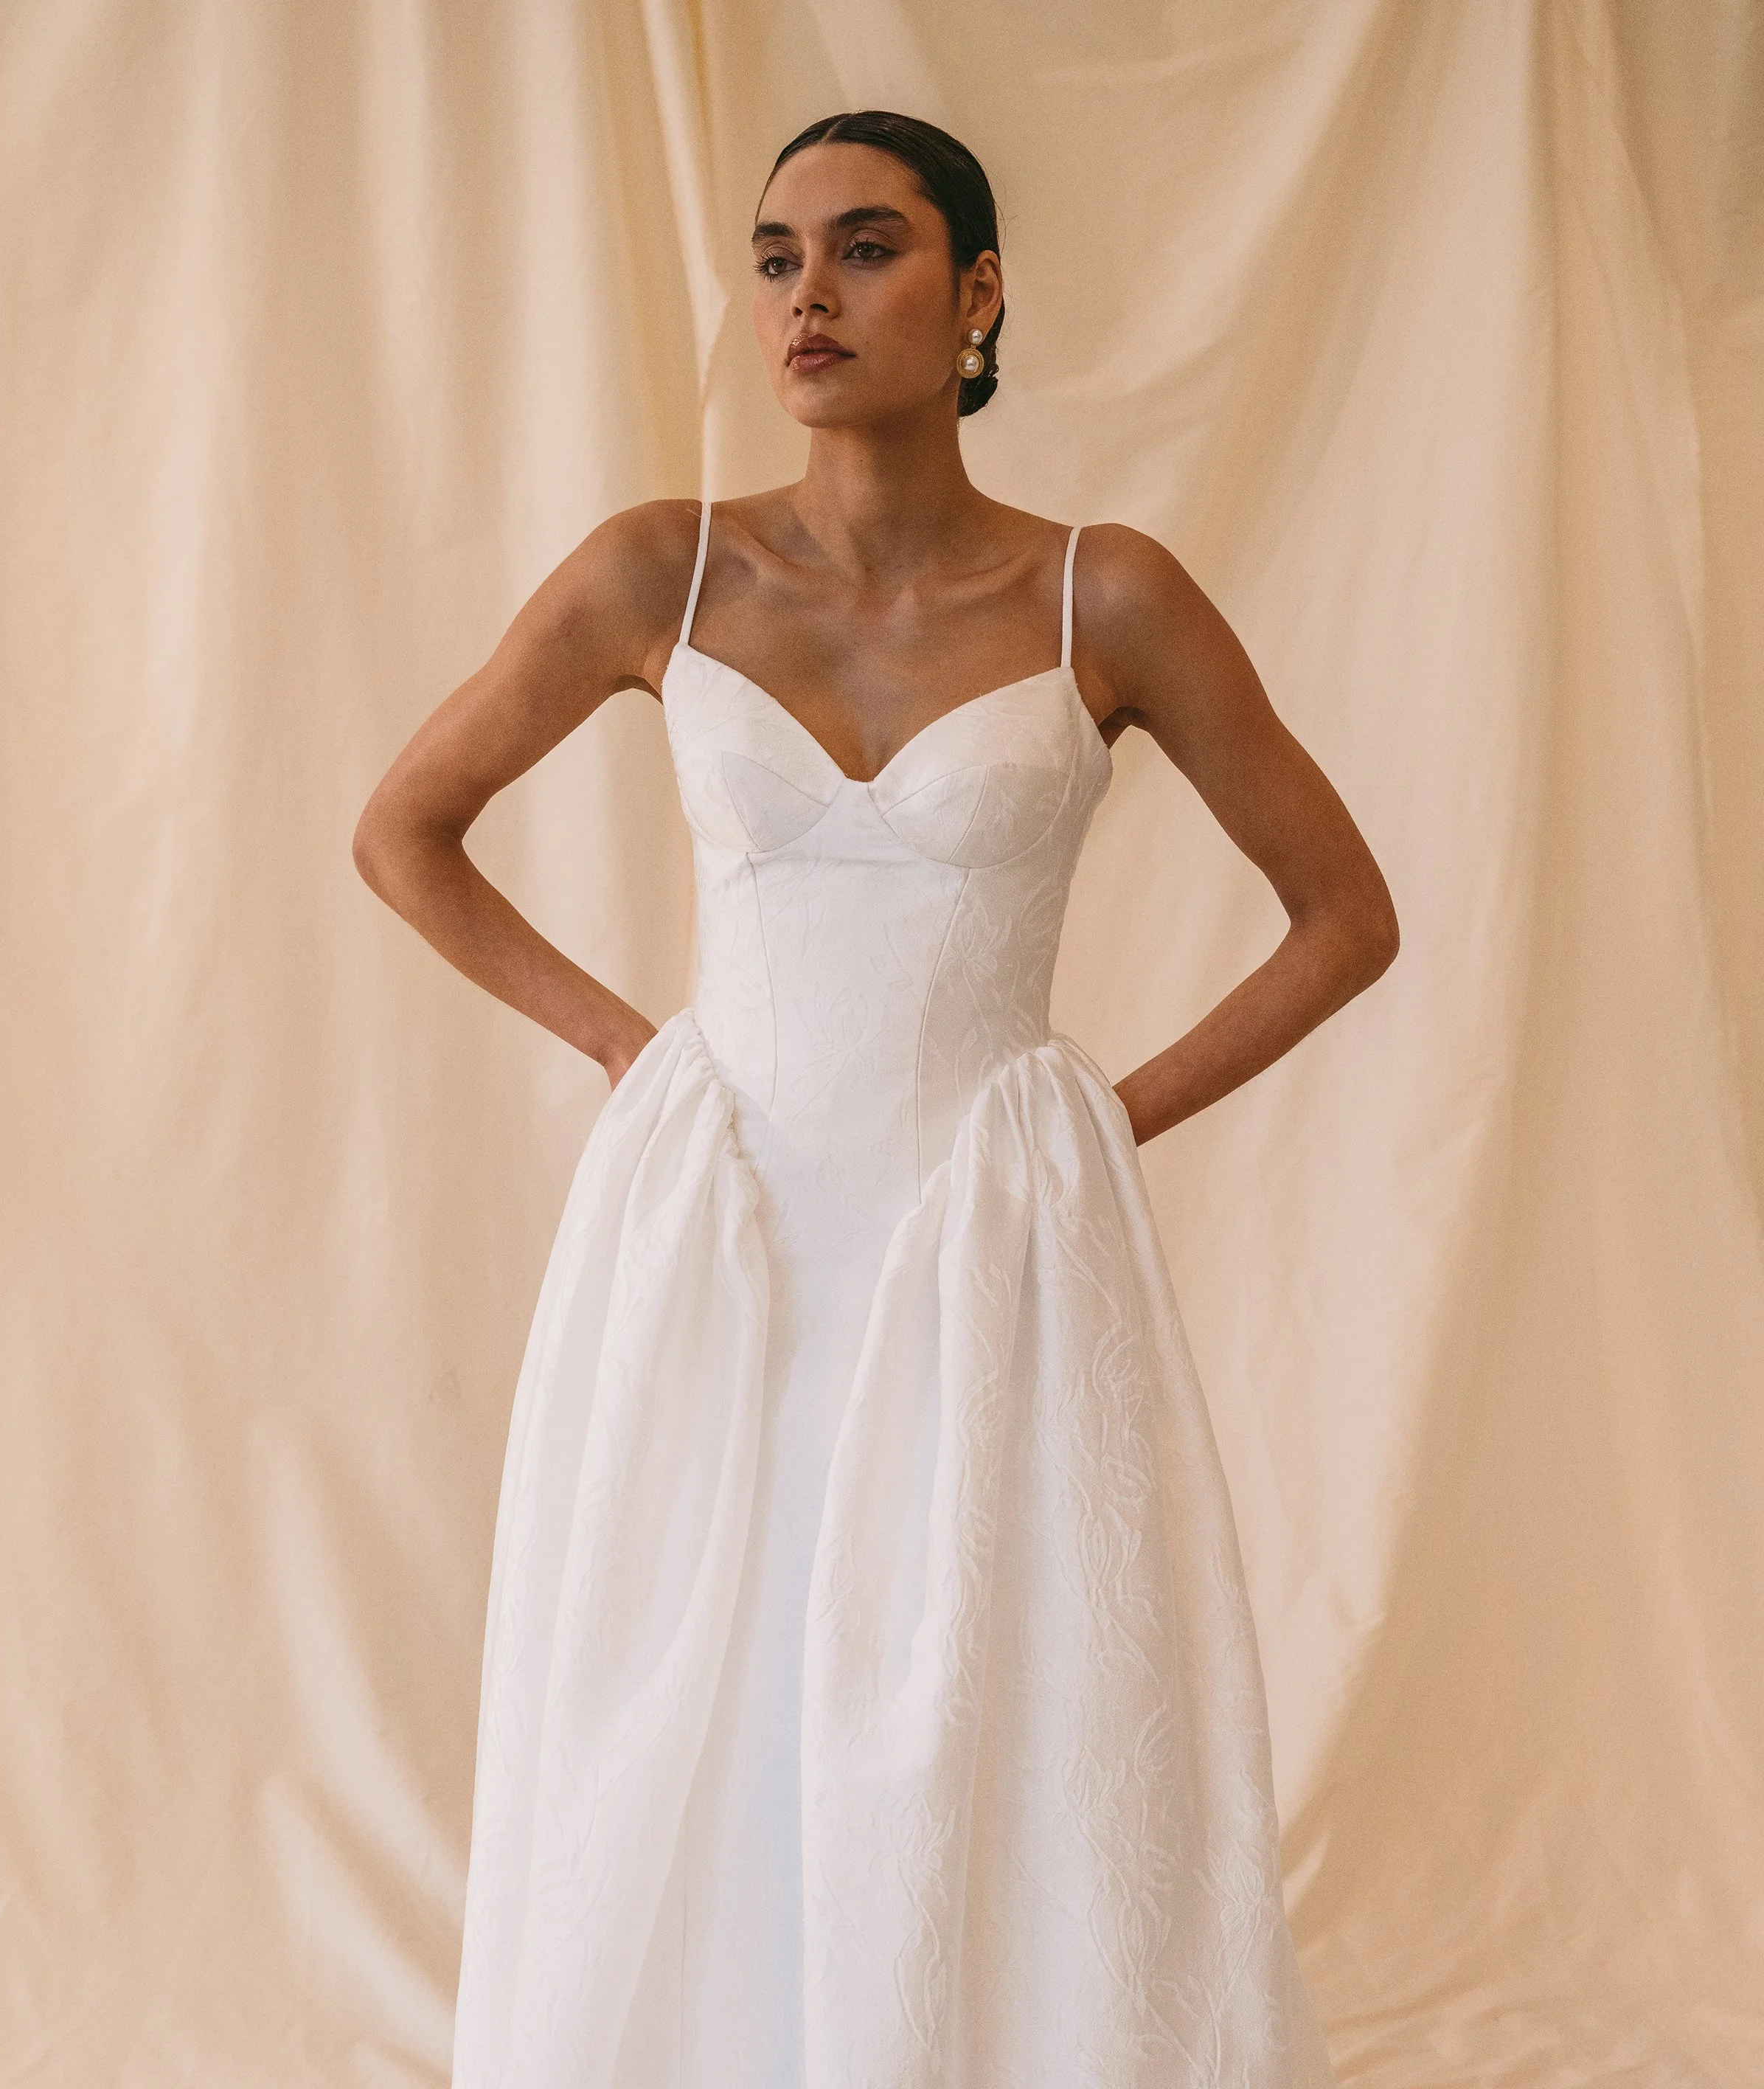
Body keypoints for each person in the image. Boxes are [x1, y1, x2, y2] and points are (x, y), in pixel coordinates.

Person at [354, 106, 1394, 2089]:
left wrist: (1087, 1122)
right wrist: (624, 1046)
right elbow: (406, 829)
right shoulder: (663, 571)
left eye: (867, 245)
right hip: (719, 1231)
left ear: (981, 292)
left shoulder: (1111, 596)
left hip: (987, 1247)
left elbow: (1344, 918)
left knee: (998, 1687)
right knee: (689, 1680)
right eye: (775, 255)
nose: (807, 295)